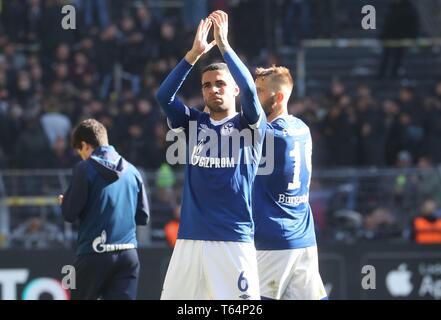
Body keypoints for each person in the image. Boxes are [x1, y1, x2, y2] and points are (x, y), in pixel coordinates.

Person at [156, 11, 266, 300]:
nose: (213, 89)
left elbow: (253, 95)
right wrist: (192, 56)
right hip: (189, 240)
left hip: (233, 240)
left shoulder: (249, 125)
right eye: (207, 85)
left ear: (235, 89)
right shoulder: (192, 123)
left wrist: (224, 46)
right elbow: (163, 97)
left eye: (220, 83)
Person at [252, 66, 327, 299]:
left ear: (280, 96)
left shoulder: (269, 135)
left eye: (260, 91)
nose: (254, 96)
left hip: (274, 238)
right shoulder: (302, 128)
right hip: (303, 237)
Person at [60, 119, 150, 300]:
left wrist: (65, 202)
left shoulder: (84, 169)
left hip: (94, 253)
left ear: (85, 145)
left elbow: (69, 214)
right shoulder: (132, 171)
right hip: (128, 254)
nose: (81, 156)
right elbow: (143, 217)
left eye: (80, 152)